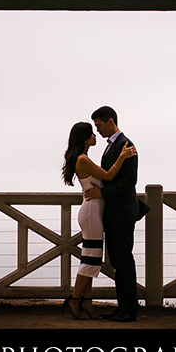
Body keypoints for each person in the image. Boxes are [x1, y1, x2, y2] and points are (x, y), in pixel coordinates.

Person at [61, 121, 136, 319]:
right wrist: (122, 156)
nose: (96, 136)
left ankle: (86, 302)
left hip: (92, 212)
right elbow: (109, 175)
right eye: (92, 133)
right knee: (92, 258)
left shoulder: (83, 158)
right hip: (91, 213)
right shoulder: (82, 159)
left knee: (90, 257)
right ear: (85, 138)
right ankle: (75, 298)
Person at [83, 106, 141, 322]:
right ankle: (122, 307)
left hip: (122, 213)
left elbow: (129, 180)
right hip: (114, 213)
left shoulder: (126, 145)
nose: (97, 130)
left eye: (98, 125)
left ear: (110, 121)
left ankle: (129, 310)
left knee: (124, 261)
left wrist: (102, 193)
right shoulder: (112, 146)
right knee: (118, 261)